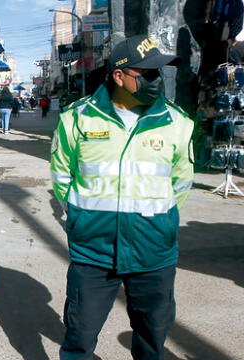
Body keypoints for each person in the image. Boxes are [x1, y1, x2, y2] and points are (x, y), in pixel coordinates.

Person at [50, 35, 194, 359]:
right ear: (119, 76)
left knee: (151, 339)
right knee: (79, 338)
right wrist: (78, 217)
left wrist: (159, 221)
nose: (157, 80)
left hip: (153, 252)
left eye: (160, 72)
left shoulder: (178, 123)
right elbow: (62, 177)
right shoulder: (77, 119)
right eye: (148, 73)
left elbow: (181, 183)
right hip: (94, 251)